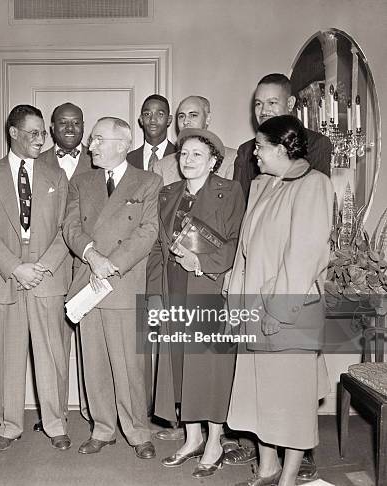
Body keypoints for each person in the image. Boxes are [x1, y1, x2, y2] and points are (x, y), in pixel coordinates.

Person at [227, 74, 332, 481]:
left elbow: (303, 255)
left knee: (290, 398)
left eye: (261, 149)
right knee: (259, 393)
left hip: (289, 311)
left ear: (283, 148)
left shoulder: (314, 185)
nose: (255, 155)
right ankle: (267, 465)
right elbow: (245, 250)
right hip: (254, 309)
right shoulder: (260, 186)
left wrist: (279, 311)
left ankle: (288, 476)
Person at [146, 128, 245, 477]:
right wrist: (155, 296)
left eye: (197, 155)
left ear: (214, 160)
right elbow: (158, 249)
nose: (188, 160)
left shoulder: (230, 191)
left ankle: (214, 441)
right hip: (173, 287)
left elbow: (236, 243)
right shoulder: (167, 193)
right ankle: (191, 438)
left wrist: (201, 263)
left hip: (208, 288)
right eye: (184, 154)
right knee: (181, 366)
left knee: (209, 368)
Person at [0, 104, 71, 453]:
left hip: (48, 275)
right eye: (33, 133)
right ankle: (10, 426)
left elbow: (67, 229)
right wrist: (16, 267)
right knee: (7, 355)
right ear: (13, 133)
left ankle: (56, 423)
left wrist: (42, 266)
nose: (41, 139)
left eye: (43, 133)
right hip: (6, 276)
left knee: (52, 355)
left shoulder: (57, 176)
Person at [63, 116, 161, 460]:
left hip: (123, 281)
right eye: (92, 140)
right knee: (95, 363)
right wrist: (93, 256)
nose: (91, 146)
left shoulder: (148, 181)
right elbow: (71, 227)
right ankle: (102, 429)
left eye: (98, 139)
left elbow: (148, 231)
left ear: (123, 143)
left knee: (130, 366)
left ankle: (138, 432)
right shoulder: (81, 182)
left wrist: (112, 263)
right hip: (89, 282)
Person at [34, 102, 94, 431]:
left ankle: (94, 410)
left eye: (76, 122)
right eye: (63, 123)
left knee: (93, 340)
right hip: (51, 265)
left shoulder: (100, 161)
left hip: (89, 263)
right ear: (52, 128)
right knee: (54, 343)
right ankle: (54, 413)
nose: (70, 128)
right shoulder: (36, 162)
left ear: (84, 127)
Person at [233, 73, 332, 202]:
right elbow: (237, 205)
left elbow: (317, 198)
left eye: (272, 103)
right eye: (258, 104)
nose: (263, 111)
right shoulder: (246, 151)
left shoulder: (316, 144)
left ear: (290, 103)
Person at [152, 96, 238, 184]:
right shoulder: (162, 166)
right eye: (181, 116)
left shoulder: (233, 159)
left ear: (207, 119)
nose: (185, 121)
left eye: (193, 115)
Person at [127, 94, 176, 171]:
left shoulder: (179, 156)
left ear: (169, 120)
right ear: (141, 119)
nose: (153, 119)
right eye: (147, 114)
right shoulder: (128, 159)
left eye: (160, 114)